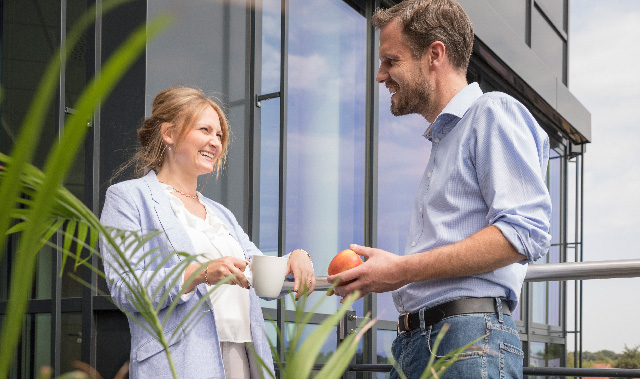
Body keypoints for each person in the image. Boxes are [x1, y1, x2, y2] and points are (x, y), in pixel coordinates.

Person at [327, 1, 551, 378]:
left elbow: (524, 233)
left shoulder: (492, 112)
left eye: (391, 61)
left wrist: (401, 270)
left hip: (467, 341)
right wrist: (397, 272)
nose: (380, 76)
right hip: (432, 343)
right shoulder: (446, 141)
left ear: (434, 54)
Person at [100, 86, 315, 379]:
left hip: (244, 358)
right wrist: (200, 272)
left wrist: (294, 258)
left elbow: (257, 272)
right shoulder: (128, 198)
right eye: (205, 130)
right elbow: (126, 290)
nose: (215, 142)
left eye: (219, 135)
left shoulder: (220, 213)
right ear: (169, 134)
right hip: (180, 362)